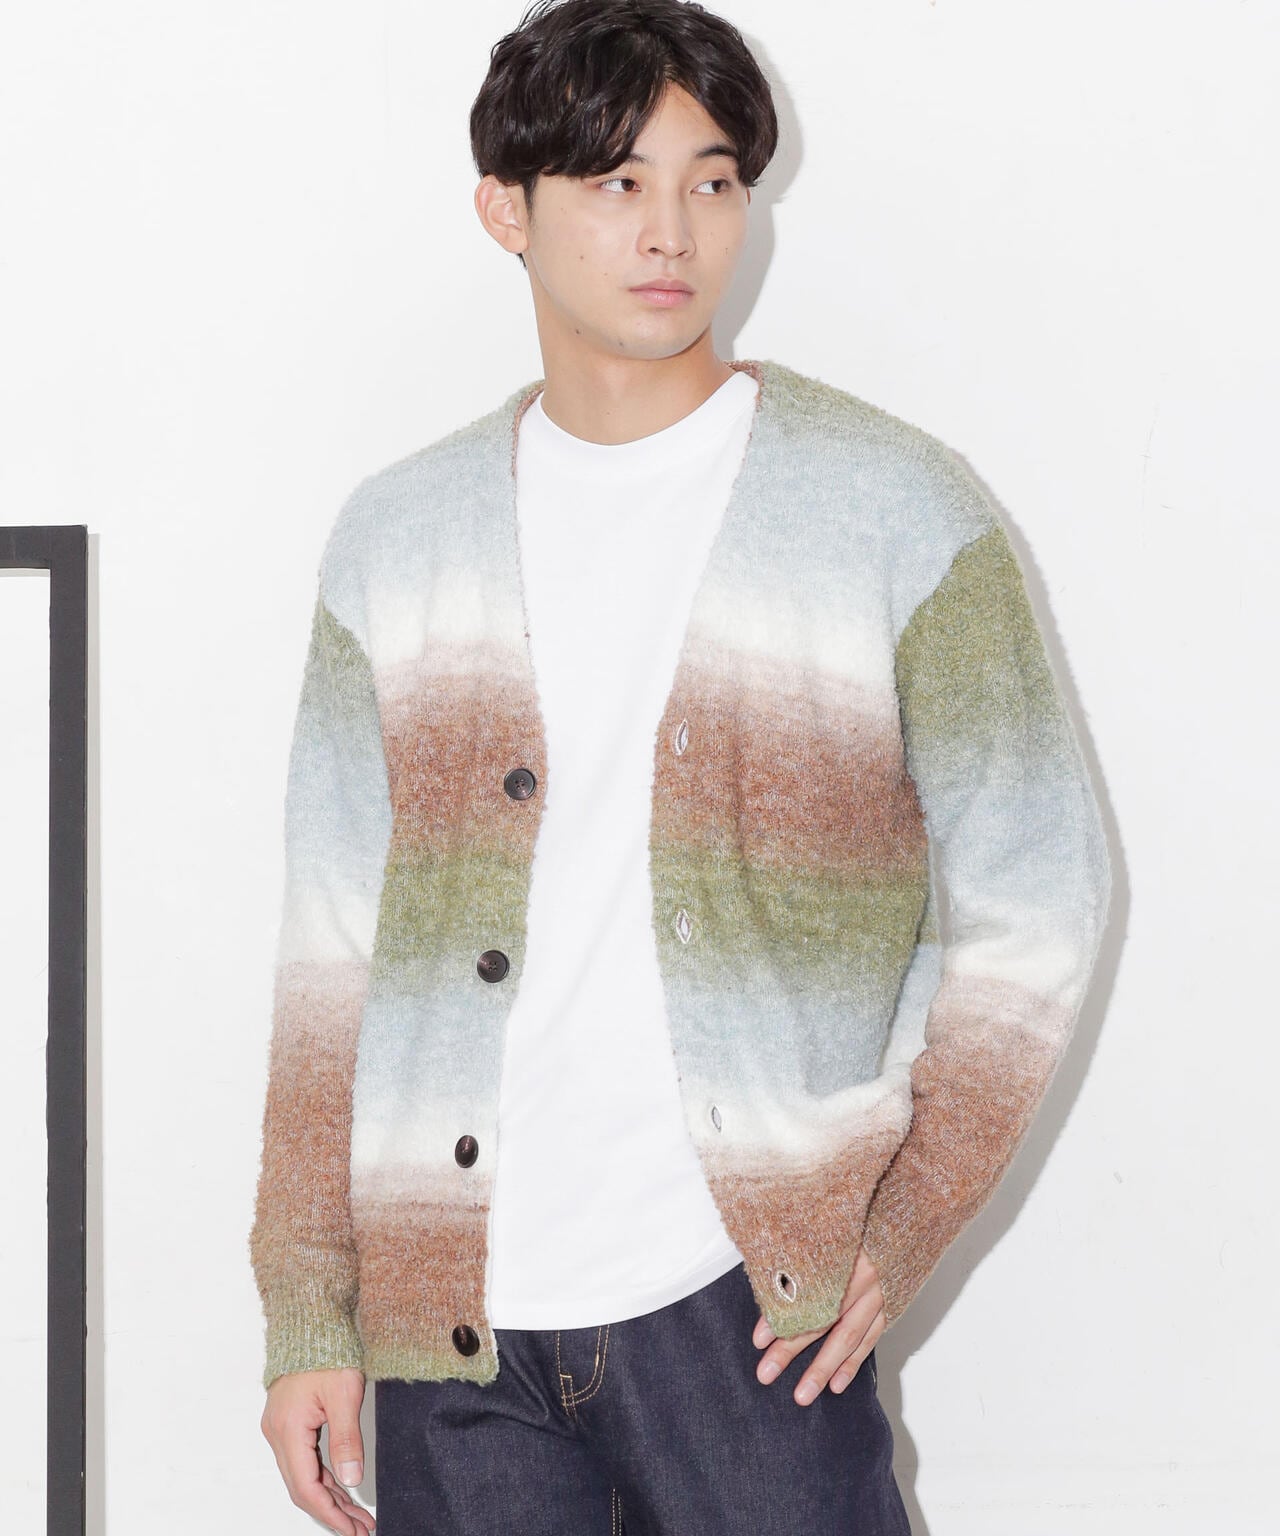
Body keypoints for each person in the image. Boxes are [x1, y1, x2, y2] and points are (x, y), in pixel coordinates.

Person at [248, 2, 1113, 1532]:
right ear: (506, 210)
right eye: (617, 183)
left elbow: (1041, 901)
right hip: (451, 1323)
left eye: (712, 183)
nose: (673, 231)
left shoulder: (895, 511)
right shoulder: (397, 542)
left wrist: (901, 1221)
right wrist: (310, 1309)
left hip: (743, 1317)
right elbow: (333, 960)